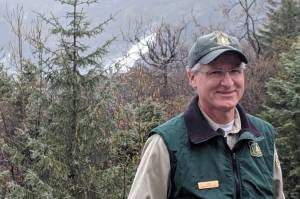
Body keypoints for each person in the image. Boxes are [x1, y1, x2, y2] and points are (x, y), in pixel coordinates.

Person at [128, 31, 285, 199]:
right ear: (192, 77)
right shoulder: (166, 143)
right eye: (215, 72)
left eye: (235, 71)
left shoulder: (263, 136)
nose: (228, 82)